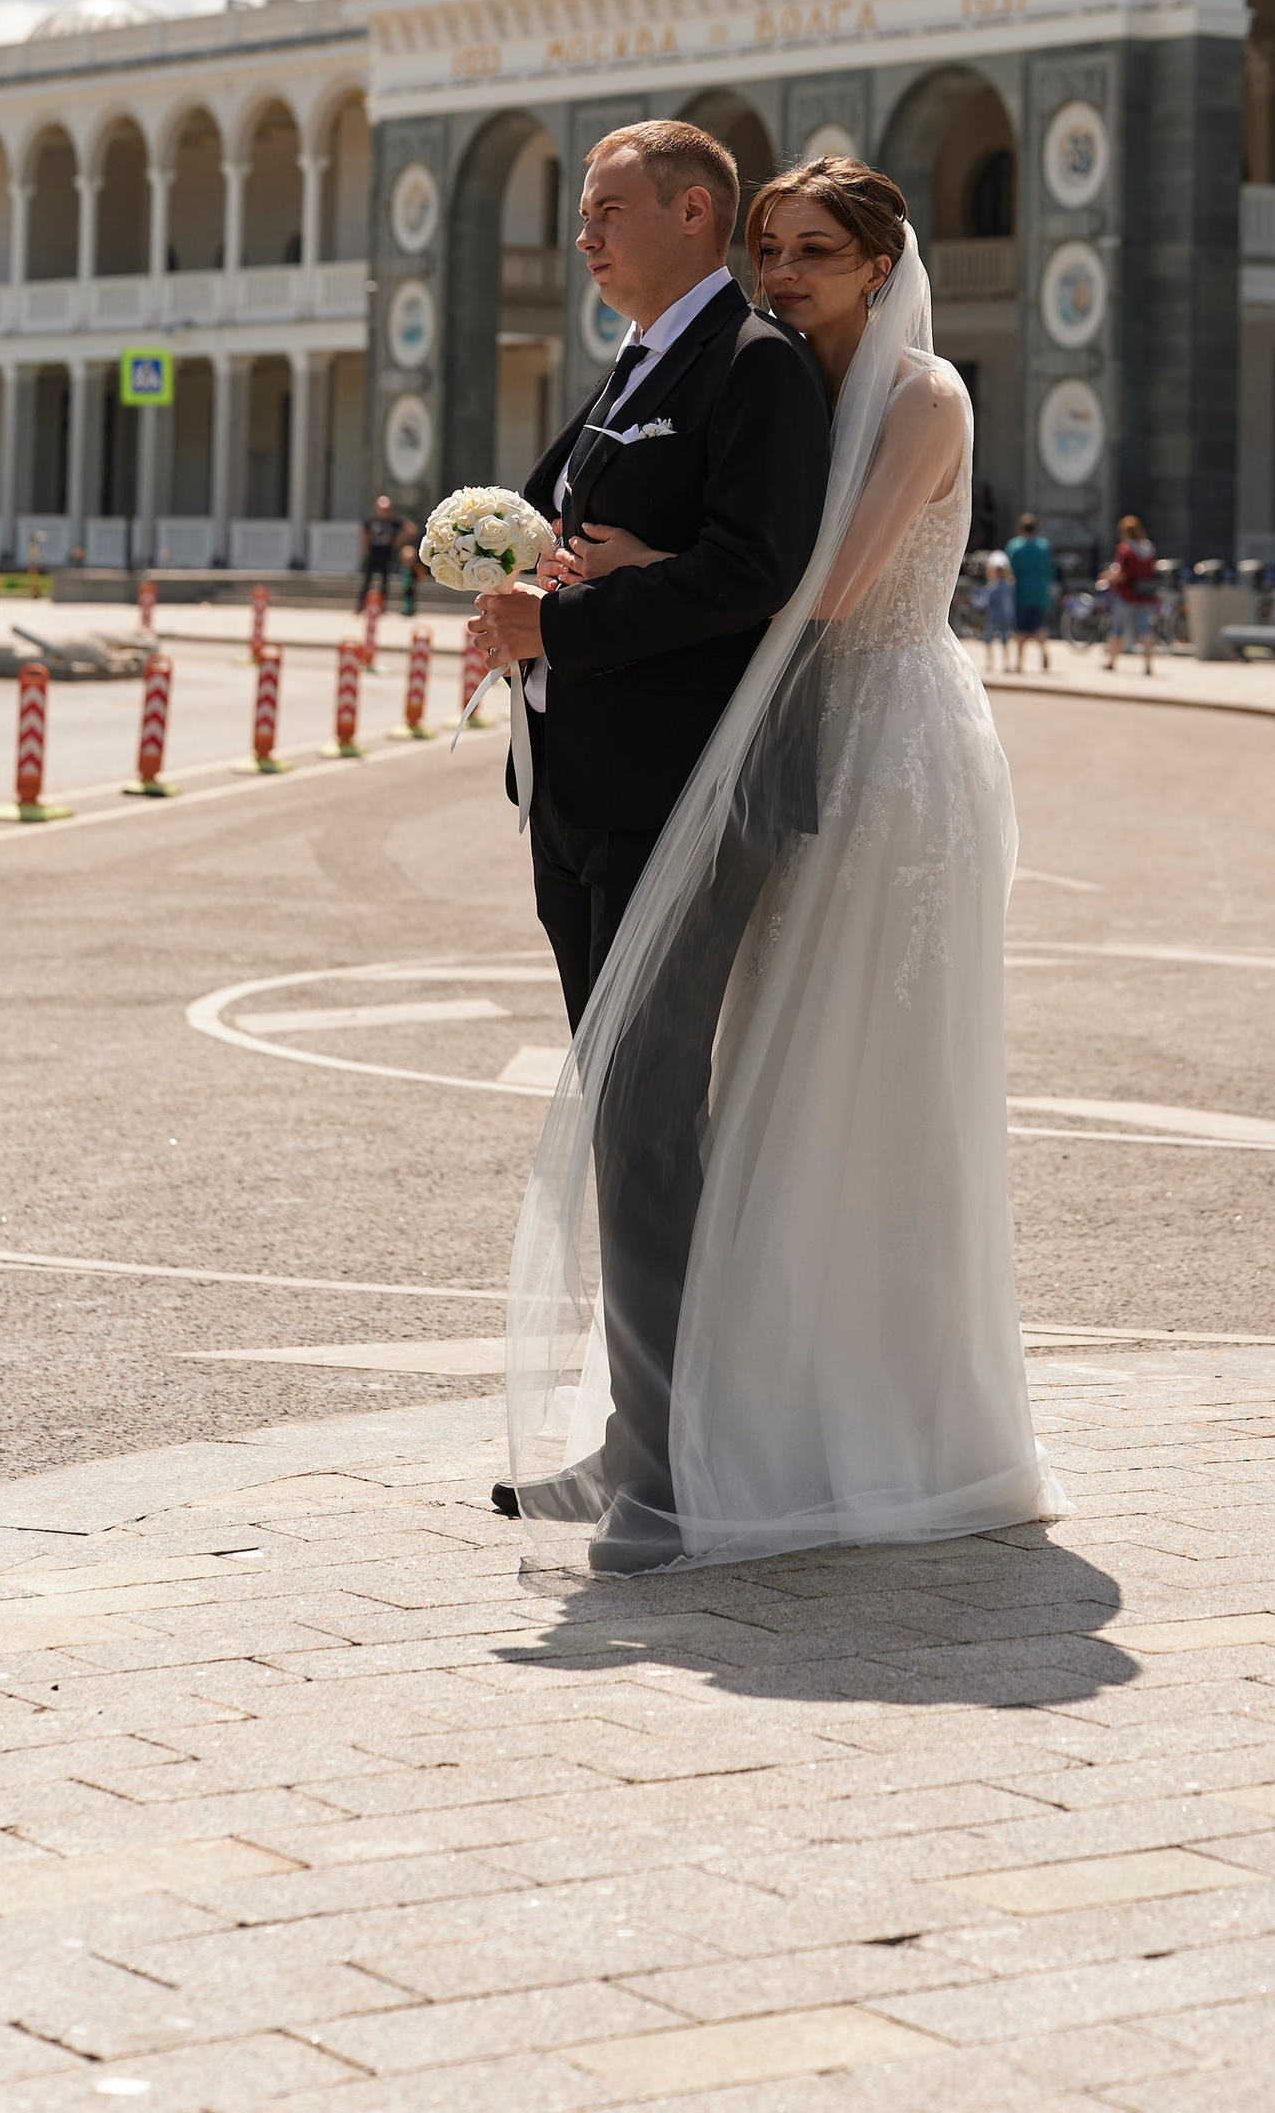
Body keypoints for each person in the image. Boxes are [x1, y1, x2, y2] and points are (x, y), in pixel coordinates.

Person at [490, 150, 1059, 1578]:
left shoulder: (918, 394)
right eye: (774, 249)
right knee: (752, 1108)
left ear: (882, 263)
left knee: (859, 1099)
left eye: (814, 251)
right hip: (780, 745)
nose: (785, 273)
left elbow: (825, 585)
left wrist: (611, 586)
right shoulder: (779, 381)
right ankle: (693, 1436)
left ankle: (838, 1439)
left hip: (890, 759)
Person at [470, 119, 832, 1571]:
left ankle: (672, 1483)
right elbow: (560, 527)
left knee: (648, 1127)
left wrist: (558, 619)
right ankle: (639, 1436)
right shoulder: (633, 368)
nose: (584, 234)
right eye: (581, 211)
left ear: (696, 211)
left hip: (688, 798)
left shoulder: (754, 370)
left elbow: (758, 572)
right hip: (580, 793)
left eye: (610, 209)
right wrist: (508, 581)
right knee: (624, 1127)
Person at [1104, 515, 1161, 677]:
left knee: (1117, 629)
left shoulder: (1125, 549)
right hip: (1144, 594)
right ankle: (1148, 663)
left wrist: (1107, 577)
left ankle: (1112, 662)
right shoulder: (1148, 548)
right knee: (1145, 629)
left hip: (1126, 593)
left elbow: (1122, 574)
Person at [1006, 513, 1056, 672]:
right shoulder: (1043, 546)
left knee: (1020, 627)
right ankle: (1043, 651)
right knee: (1038, 625)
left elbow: (1008, 568)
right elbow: (1050, 568)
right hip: (1040, 591)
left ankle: (1019, 663)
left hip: (1021, 590)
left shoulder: (1015, 546)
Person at [359, 492, 404, 600]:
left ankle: (382, 605)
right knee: (367, 580)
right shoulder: (370, 521)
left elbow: (411, 529)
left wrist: (399, 540)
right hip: (373, 553)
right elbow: (365, 536)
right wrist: (364, 551)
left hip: (387, 554)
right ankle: (361, 604)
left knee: (385, 581)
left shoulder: (394, 521)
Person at [979, 547, 1016, 667]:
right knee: (1005, 640)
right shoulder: (1010, 586)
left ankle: (990, 663)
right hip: (1007, 617)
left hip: (994, 616)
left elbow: (984, 602)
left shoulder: (992, 587)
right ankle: (1006, 663)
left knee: (988, 639)